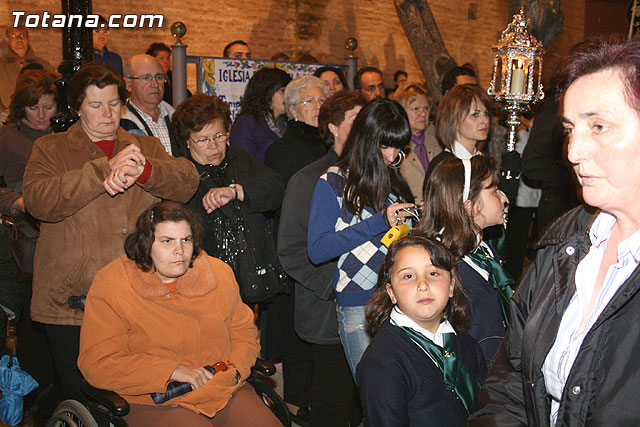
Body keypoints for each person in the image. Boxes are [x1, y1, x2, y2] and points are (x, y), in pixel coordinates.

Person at [469, 37, 640, 427]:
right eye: (570, 129)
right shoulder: (566, 238)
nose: (574, 150)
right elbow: (511, 372)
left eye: (599, 126)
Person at [21, 62, 199, 402]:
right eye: (95, 105)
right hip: (72, 300)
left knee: (136, 394)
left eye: (114, 103)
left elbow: (187, 181)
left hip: (139, 294)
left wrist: (146, 171)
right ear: (76, 108)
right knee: (83, 396)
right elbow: (38, 201)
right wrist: (102, 171)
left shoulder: (144, 147)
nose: (107, 114)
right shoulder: (51, 148)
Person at [78, 201, 281, 426]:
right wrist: (172, 371)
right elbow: (98, 364)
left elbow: (243, 333)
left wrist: (235, 370)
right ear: (146, 244)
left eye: (186, 240)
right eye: (167, 241)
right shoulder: (113, 283)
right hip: (152, 397)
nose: (180, 251)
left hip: (221, 386)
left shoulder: (218, 274)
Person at [307, 98, 414, 376]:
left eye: (398, 148)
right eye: (385, 146)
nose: (391, 156)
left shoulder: (395, 182)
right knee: (374, 395)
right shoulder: (333, 182)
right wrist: (379, 221)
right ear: (366, 140)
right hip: (359, 305)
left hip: (400, 301)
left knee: (398, 396)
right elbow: (318, 250)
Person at [278, 90, 366, 427]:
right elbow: (291, 250)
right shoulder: (309, 179)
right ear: (332, 127)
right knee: (332, 404)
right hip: (327, 309)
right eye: (355, 121)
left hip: (371, 307)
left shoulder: (373, 175)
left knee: (362, 402)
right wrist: (337, 286)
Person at [357, 236, 487, 426]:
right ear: (391, 292)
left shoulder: (467, 345)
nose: (423, 285)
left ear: (451, 286)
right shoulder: (382, 361)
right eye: (408, 276)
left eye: (433, 273)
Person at [171, 93, 285, 303]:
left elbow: (275, 187)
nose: (214, 146)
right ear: (187, 142)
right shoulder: (180, 172)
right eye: (203, 140)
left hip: (248, 276)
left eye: (220, 135)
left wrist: (237, 191)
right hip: (203, 281)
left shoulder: (240, 158)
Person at [415, 156, 512, 364]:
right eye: (493, 191)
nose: (504, 198)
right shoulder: (443, 269)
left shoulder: (482, 250)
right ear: (470, 207)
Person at [0, 69, 58, 415]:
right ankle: (35, 405)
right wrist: (18, 201)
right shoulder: (7, 138)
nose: (41, 114)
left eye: (48, 107)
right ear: (21, 107)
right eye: (33, 107)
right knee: (32, 331)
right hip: (23, 244)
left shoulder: (65, 137)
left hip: (61, 239)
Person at [264, 75, 330, 183]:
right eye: (309, 101)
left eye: (322, 100)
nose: (318, 106)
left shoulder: (332, 143)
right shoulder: (281, 151)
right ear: (293, 111)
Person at [423, 84, 491, 186]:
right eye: (475, 115)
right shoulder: (443, 166)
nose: (485, 120)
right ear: (454, 119)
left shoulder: (482, 161)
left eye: (486, 113)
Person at [121, 54, 181, 156]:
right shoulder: (119, 124)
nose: (155, 84)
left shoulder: (178, 119)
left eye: (159, 77)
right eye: (146, 78)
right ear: (128, 84)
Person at [228, 67, 291, 164]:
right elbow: (242, 165)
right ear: (266, 92)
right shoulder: (246, 123)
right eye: (283, 91)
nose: (288, 97)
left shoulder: (287, 125)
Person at [394, 84, 441, 202]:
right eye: (416, 109)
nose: (423, 114)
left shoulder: (438, 144)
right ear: (401, 111)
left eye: (426, 108)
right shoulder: (394, 148)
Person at [0, 25, 53, 123]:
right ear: (7, 40)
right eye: (14, 36)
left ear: (28, 39)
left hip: (39, 117)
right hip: (6, 118)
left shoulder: (44, 65)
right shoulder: (1, 66)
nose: (19, 40)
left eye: (22, 36)